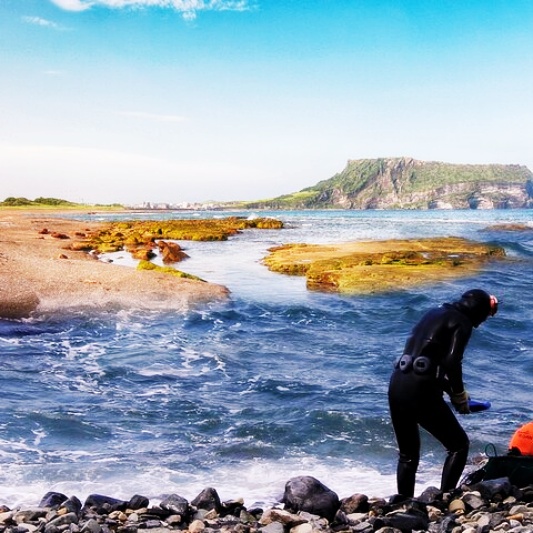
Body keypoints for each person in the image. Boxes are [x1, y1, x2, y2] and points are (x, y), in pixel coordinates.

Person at [388, 289, 499, 498]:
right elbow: (452, 362)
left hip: (398, 383)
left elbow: (424, 364)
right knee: (459, 445)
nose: (483, 321)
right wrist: (458, 394)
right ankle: (445, 497)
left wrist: (454, 393)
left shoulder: (433, 313)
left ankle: (403, 503)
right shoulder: (462, 321)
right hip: (421, 389)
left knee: (408, 455)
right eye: (485, 315)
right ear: (478, 310)